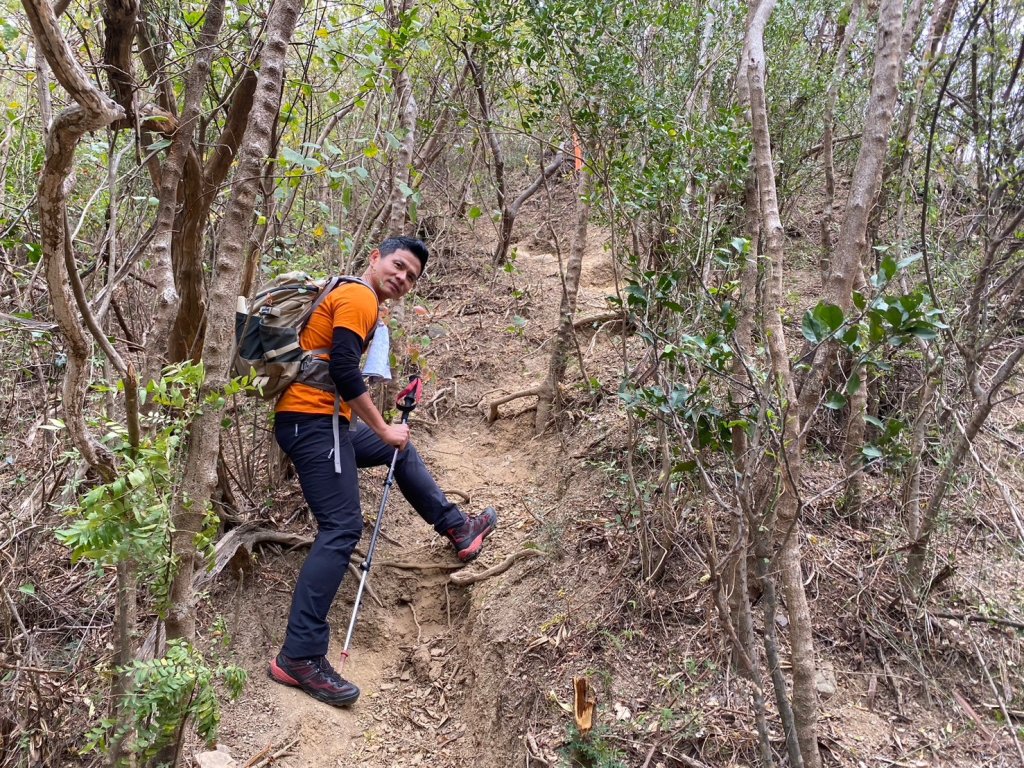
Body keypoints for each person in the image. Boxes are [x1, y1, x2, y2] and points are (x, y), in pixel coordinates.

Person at [267, 236, 498, 707]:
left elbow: (346, 371)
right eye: (398, 266)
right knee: (342, 527)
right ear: (375, 258)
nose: (402, 278)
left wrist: (387, 434)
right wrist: (383, 426)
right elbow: (348, 374)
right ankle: (299, 656)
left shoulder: (362, 300)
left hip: (326, 422)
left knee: (400, 450)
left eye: (411, 276)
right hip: (313, 422)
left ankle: (458, 528)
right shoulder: (357, 296)